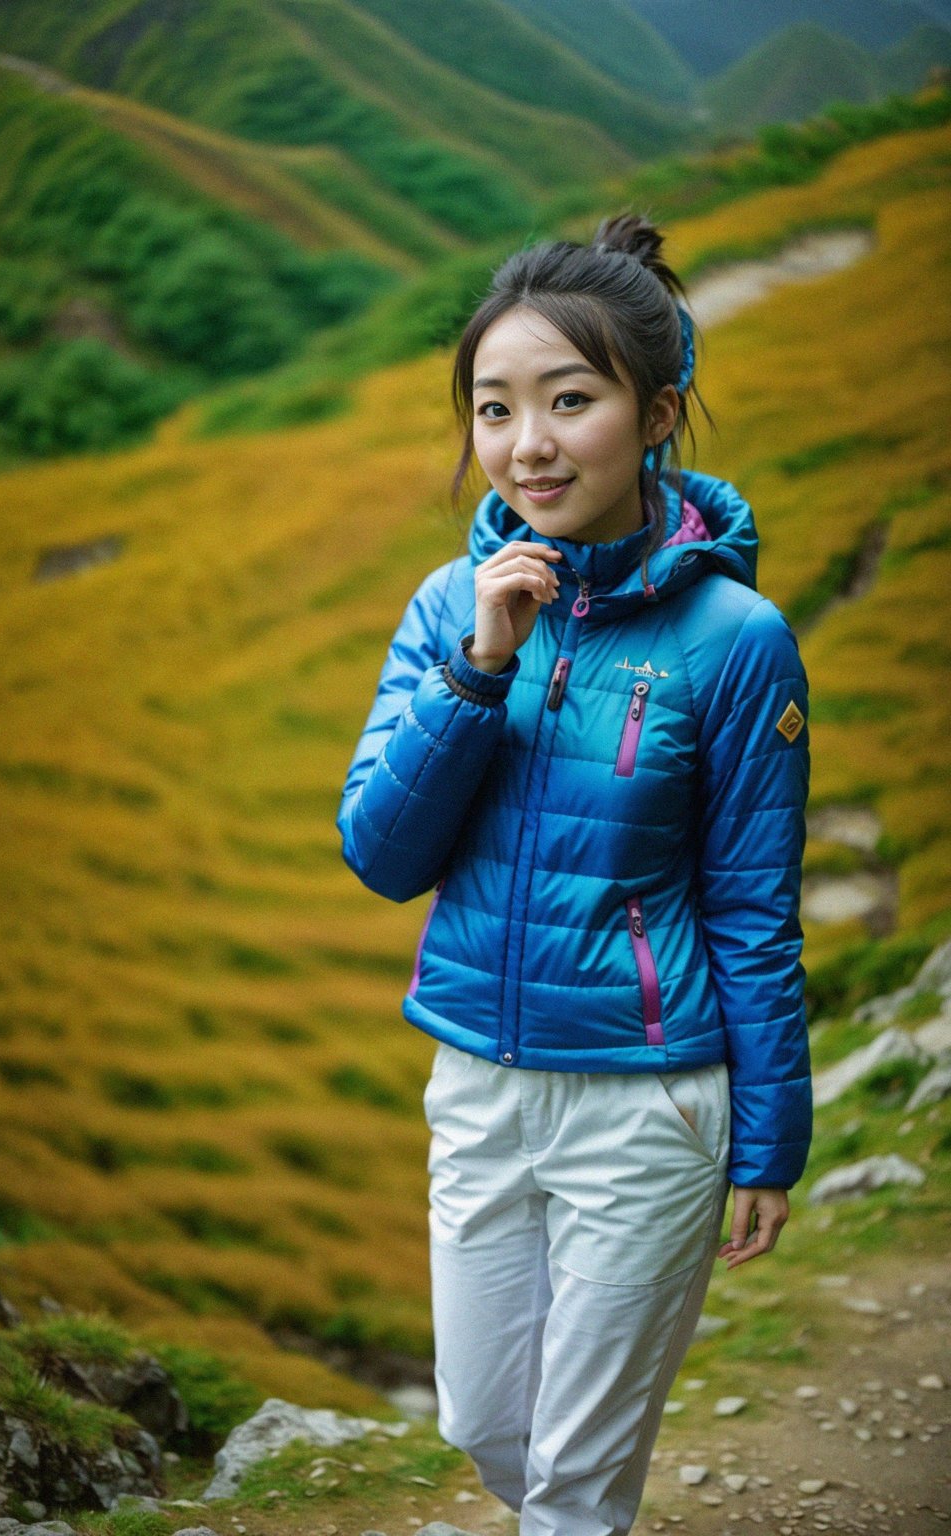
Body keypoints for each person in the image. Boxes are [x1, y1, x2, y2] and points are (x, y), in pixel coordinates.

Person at [336, 213, 812, 1535]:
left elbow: (754, 906)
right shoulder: (449, 608)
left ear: (657, 413)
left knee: (578, 1487)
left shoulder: (738, 641)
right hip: (478, 1083)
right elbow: (381, 855)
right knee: (486, 1424)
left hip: (648, 1109)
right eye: (495, 409)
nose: (527, 442)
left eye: (570, 399)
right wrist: (479, 669)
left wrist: (770, 1137)